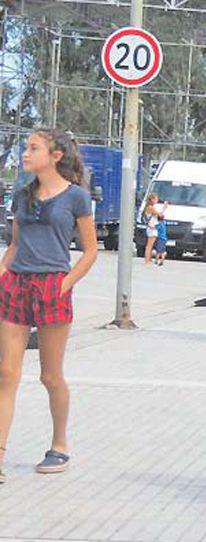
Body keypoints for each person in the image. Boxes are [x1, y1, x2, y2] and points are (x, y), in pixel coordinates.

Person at [0, 129, 98, 483]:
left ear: (55, 155)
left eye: (33, 148)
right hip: (16, 286)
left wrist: (65, 284)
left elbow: (90, 251)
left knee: (50, 375)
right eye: (26, 148)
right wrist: (1, 275)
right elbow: (14, 245)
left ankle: (59, 445)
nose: (25, 153)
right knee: (7, 374)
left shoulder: (76, 198)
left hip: (53, 287)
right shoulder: (21, 195)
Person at [143, 193, 166, 265]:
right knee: (149, 245)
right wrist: (164, 208)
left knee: (151, 244)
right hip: (152, 228)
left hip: (151, 227)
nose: (157, 200)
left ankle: (148, 258)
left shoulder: (149, 207)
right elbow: (159, 214)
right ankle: (147, 259)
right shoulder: (151, 207)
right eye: (156, 199)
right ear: (152, 199)